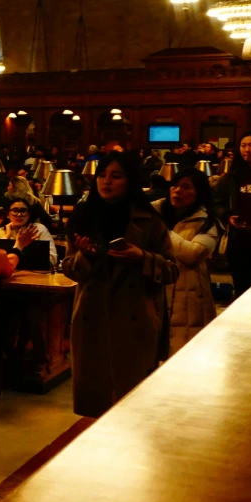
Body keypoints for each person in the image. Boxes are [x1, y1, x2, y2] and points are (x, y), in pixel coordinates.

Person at [63, 153, 179, 417]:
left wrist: (141, 257)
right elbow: (69, 269)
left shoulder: (149, 221)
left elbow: (172, 270)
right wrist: (86, 256)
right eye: (102, 175)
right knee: (95, 405)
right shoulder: (84, 217)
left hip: (134, 320)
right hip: (92, 320)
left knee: (132, 406)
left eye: (116, 176)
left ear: (130, 181)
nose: (107, 182)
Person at [154, 169, 221, 354]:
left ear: (199, 192)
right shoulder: (153, 211)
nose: (177, 191)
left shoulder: (207, 222)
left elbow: (193, 254)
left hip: (190, 296)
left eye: (186, 187)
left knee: (186, 354)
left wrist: (161, 231)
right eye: (174, 185)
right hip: (156, 290)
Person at [211, 132, 251, 296]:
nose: (247, 149)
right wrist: (227, 215)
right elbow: (217, 202)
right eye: (243, 145)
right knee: (241, 287)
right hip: (239, 239)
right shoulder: (232, 177)